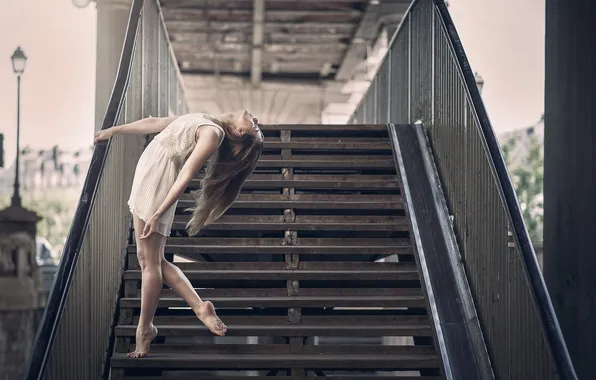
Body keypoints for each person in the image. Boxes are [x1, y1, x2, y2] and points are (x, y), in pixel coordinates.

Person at [94, 110, 264, 358]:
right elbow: (155, 123)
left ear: (240, 132)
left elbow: (184, 177)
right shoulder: (208, 119)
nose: (256, 120)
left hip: (158, 185)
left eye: (255, 127)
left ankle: (144, 329)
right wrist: (112, 131)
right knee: (152, 260)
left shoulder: (213, 133)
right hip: (148, 176)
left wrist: (157, 213)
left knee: (149, 263)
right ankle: (199, 306)